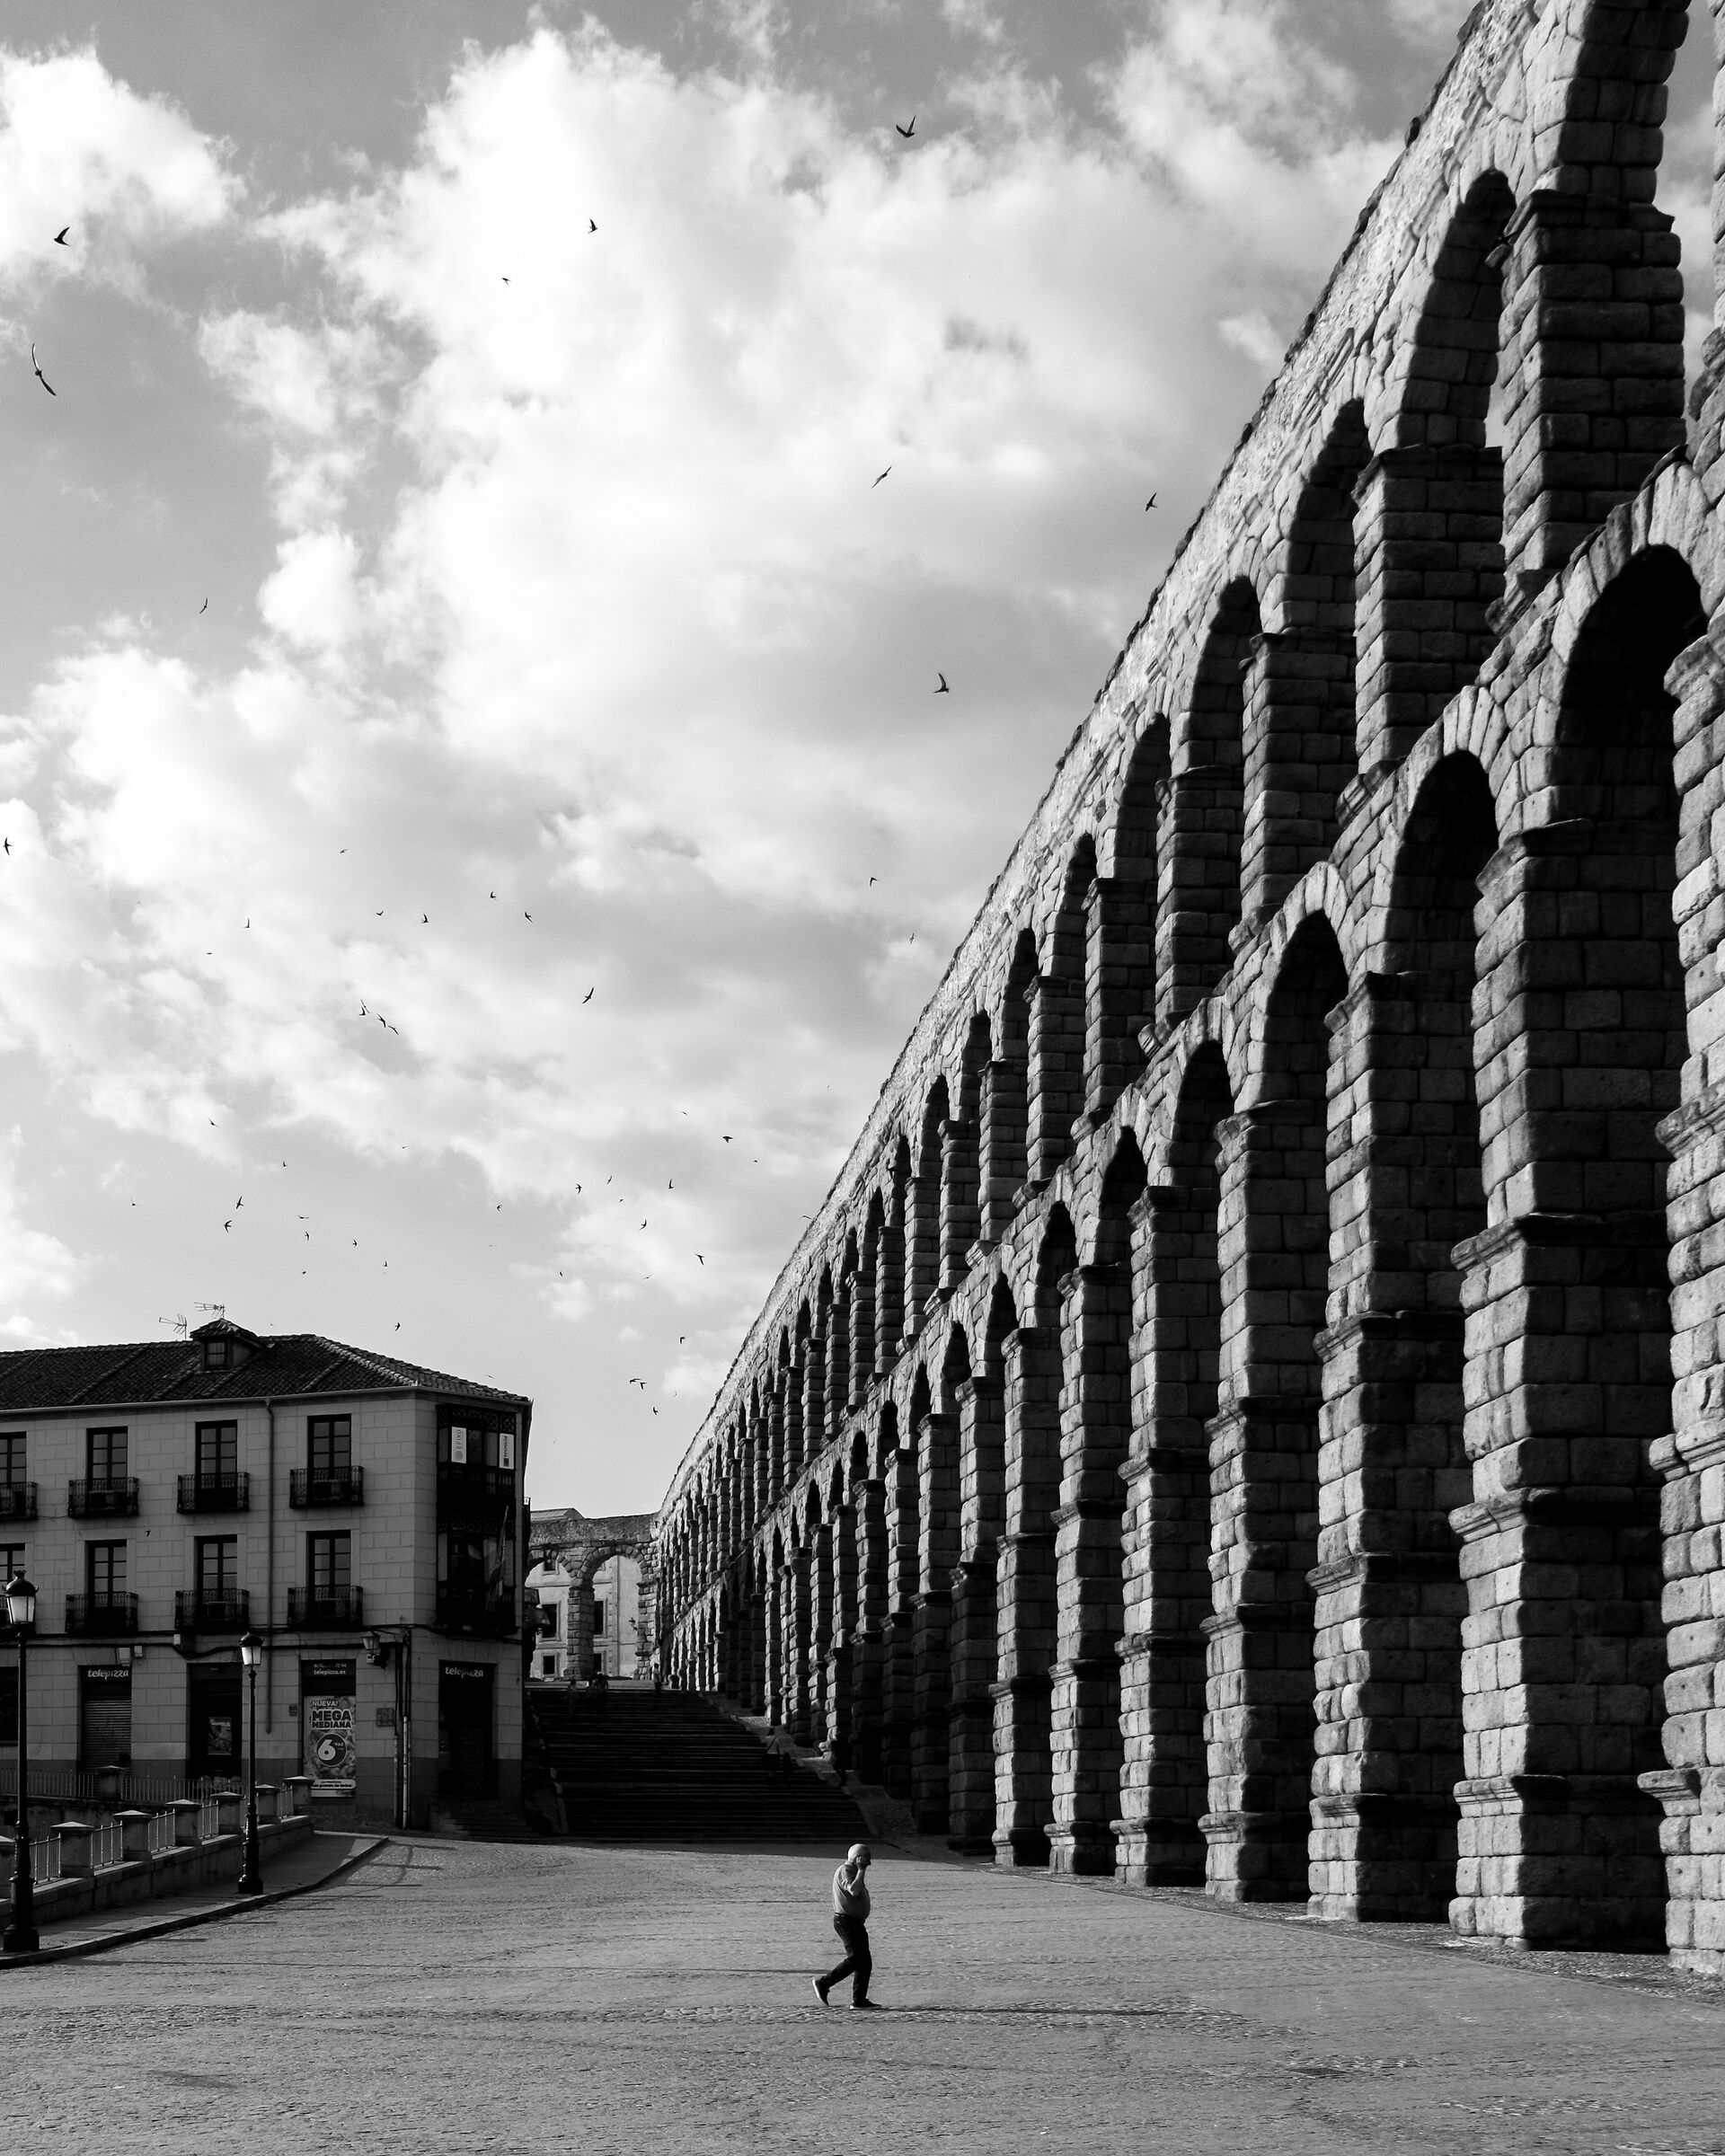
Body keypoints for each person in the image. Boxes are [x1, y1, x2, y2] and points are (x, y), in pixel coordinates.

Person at [813, 1843, 880, 2010]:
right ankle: (823, 1983)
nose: (870, 1862)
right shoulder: (846, 1870)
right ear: (859, 1858)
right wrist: (861, 1869)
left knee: (865, 1961)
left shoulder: (852, 1871)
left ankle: (859, 2000)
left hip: (854, 1921)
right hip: (846, 1921)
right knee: (857, 1959)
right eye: (868, 1858)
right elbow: (854, 1890)